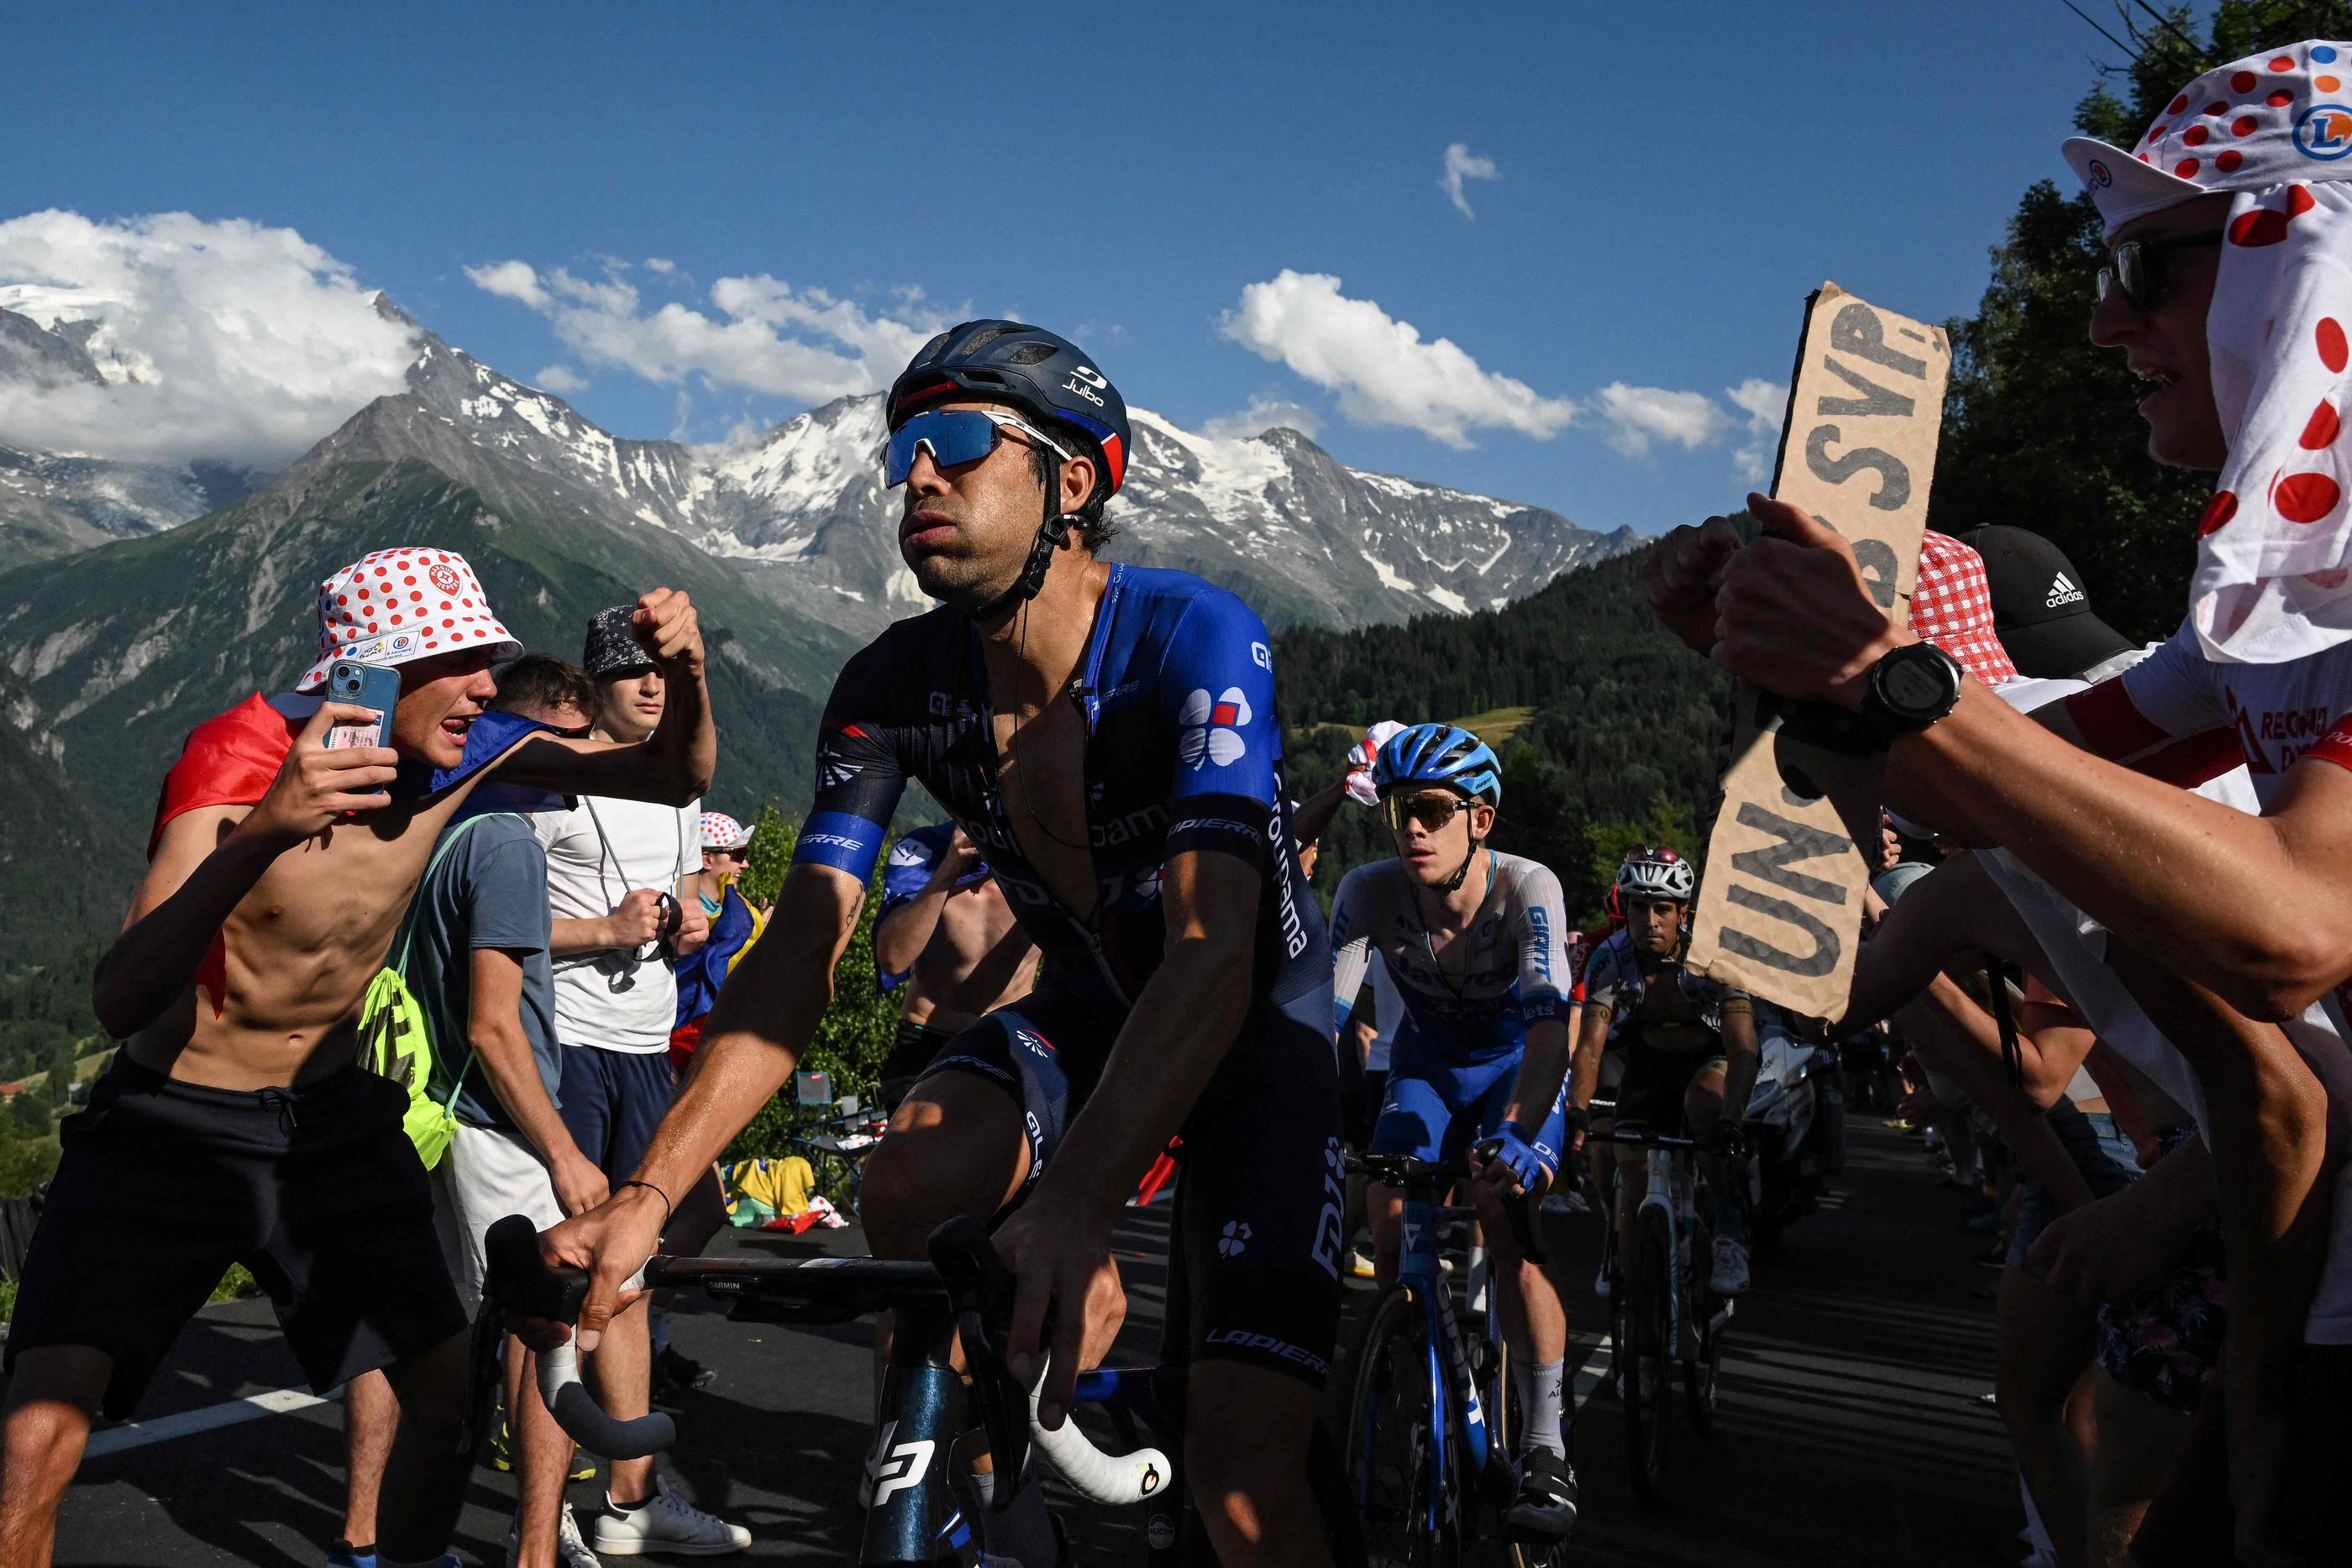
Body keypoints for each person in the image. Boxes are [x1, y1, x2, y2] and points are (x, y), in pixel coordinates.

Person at [1642, 42, 2352, 1563]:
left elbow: (2296, 927)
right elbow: (2011, 795)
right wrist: (1800, 682)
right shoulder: (2262, 616)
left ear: (2301, 267)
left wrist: (1894, 683)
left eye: (2149, 266)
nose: (2105, 322)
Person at [528, 320, 1343, 1565]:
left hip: (1249, 1024)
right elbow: (801, 954)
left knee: (1238, 1469)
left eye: (958, 443)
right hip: (1086, 1005)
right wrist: (648, 1193)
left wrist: (1077, 1200)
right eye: (903, 446)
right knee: (903, 1172)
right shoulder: (893, 686)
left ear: (1074, 483)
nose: (917, 474)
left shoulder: (1194, 637)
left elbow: (1212, 946)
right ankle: (988, 1495)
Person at [0, 551, 713, 1568]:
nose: (486, 684)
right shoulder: (235, 758)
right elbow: (121, 996)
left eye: (490, 659)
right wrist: (265, 833)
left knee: (439, 1392)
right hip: (172, 1122)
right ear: (375, 669)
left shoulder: (470, 751)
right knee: (38, 1426)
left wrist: (687, 674)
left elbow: (672, 775)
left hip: (328, 1122)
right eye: (462, 660)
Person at [343, 652, 612, 1568]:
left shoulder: (436, 824)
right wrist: (565, 1152)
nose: (584, 772)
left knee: (412, 1328)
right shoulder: (504, 841)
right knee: (547, 1329)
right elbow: (496, 1026)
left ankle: (366, 1535)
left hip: (417, 1111)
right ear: (529, 745)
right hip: (492, 1122)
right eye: (571, 747)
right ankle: (535, 1548)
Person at [1326, 722, 1580, 1538]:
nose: (1411, 827)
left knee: (1505, 1219)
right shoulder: (1368, 890)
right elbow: (1320, 1017)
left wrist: (1518, 1130)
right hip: (1427, 1067)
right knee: (1386, 1205)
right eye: (1400, 808)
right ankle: (1409, 1380)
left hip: (1517, 1068)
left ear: (1481, 818)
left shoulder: (1526, 888)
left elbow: (1551, 1030)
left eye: (1432, 809)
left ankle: (1543, 1442)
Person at [534, 608, 746, 1557]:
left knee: (634, 1273)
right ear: (593, 687)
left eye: (663, 674)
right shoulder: (552, 779)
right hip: (569, 1044)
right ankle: (538, 1520)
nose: (653, 689)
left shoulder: (673, 789)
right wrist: (604, 934)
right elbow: (491, 928)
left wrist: (689, 923)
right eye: (633, 676)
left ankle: (629, 1503)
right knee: (556, 1285)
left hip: (643, 1045)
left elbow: (686, 895)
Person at [1569, 848, 1758, 1297]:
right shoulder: (1609, 960)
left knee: (1703, 1106)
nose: (1649, 920)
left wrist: (1731, 1119)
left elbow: (1744, 1049)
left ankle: (1731, 1235)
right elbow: (1590, 1049)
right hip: (1648, 1062)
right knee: (1629, 1171)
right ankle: (1625, 1259)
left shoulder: (1717, 957)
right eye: (1638, 906)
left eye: (1663, 908)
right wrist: (1575, 1110)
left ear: (1683, 913)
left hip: (1710, 1058)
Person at [869, 822, 1037, 1112]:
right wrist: (949, 868)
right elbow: (893, 958)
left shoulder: (1047, 862)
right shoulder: (924, 852)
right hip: (925, 1041)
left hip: (1008, 1040)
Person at [672, 811, 768, 1068]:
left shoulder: (730, 913)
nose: (744, 864)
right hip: (676, 1048)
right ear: (706, 858)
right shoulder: (676, 914)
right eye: (737, 854)